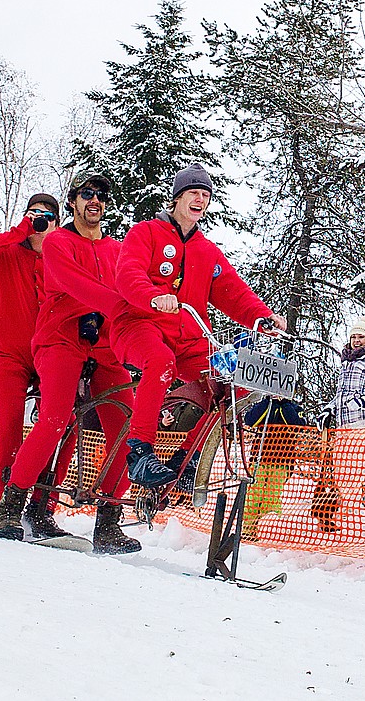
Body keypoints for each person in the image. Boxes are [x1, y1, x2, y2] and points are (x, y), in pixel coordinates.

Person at [0, 178, 139, 553]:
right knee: (54, 417)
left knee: (130, 429)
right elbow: (72, 284)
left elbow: (136, 289)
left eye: (102, 196)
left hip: (104, 346)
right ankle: (11, 504)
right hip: (61, 340)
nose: (96, 201)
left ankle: (108, 520)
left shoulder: (117, 251)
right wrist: (117, 303)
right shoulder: (57, 242)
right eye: (87, 194)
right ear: (73, 202)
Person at [111, 163, 286, 489]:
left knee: (232, 380)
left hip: (188, 338)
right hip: (139, 325)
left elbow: (234, 293)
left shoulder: (206, 251)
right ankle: (139, 452)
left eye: (205, 195)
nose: (200, 200)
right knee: (159, 360)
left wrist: (262, 317)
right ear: (177, 197)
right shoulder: (145, 233)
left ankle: (187, 460)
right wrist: (152, 296)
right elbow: (127, 273)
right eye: (194, 192)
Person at [0, 191, 67, 540]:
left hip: (45, 354)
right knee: (9, 417)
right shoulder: (3, 254)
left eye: (47, 218)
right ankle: (3, 505)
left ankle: (43, 504)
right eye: (33, 215)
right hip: (4, 353)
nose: (40, 222)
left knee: (63, 419)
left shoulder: (59, 262)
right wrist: (19, 231)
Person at [319, 315, 365, 530]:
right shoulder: (348, 362)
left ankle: (350, 524)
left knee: (353, 475)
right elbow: (342, 395)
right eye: (353, 336)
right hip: (344, 426)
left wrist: (361, 402)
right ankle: (342, 521)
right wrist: (329, 409)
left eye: (361, 336)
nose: (356, 340)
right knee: (341, 477)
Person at [240, 396, 309, 539]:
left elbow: (297, 424)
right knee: (253, 494)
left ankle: (268, 529)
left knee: (272, 497)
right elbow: (250, 420)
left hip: (282, 462)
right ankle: (248, 529)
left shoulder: (295, 408)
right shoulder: (264, 405)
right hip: (259, 459)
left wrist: (284, 403)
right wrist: (267, 401)